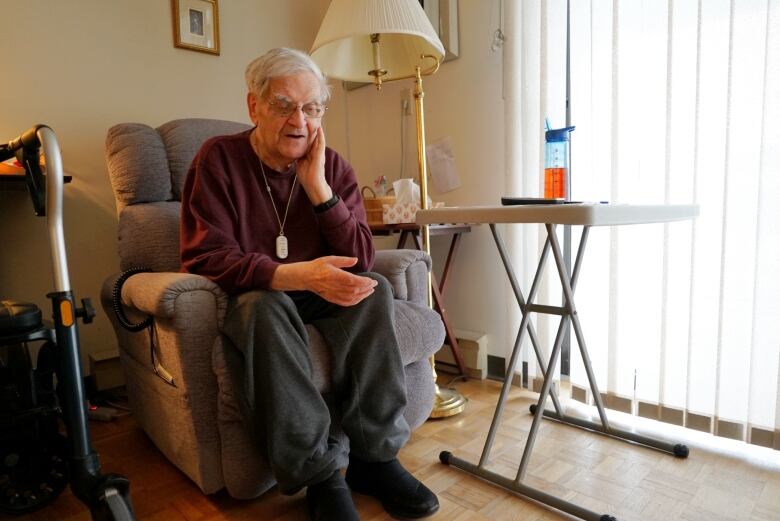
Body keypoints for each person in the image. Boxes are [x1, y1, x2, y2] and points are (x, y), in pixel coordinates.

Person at [180, 48, 439, 521]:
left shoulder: (332, 166)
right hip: (256, 296)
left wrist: (319, 189)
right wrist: (294, 275)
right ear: (254, 106)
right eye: (283, 105)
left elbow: (361, 257)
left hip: (319, 295)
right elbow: (205, 255)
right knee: (263, 307)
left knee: (374, 290)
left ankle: (374, 458)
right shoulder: (218, 159)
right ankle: (319, 474)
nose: (298, 120)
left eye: (312, 108)